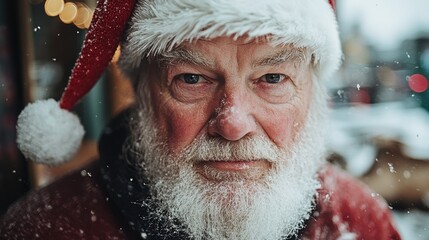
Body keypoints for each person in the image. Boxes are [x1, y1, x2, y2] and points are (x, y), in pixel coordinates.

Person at [0, 0, 401, 239]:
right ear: (142, 94)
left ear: (312, 93)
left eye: (273, 78)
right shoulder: (49, 229)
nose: (233, 123)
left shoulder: (360, 220)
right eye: (191, 79)